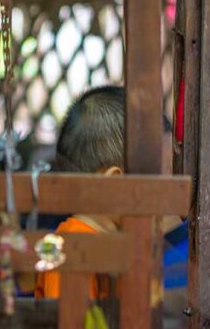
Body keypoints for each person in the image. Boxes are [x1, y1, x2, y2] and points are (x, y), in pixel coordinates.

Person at [36, 85, 175, 299]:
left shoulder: (115, 243)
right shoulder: (73, 248)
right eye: (162, 184)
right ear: (115, 185)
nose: (169, 197)